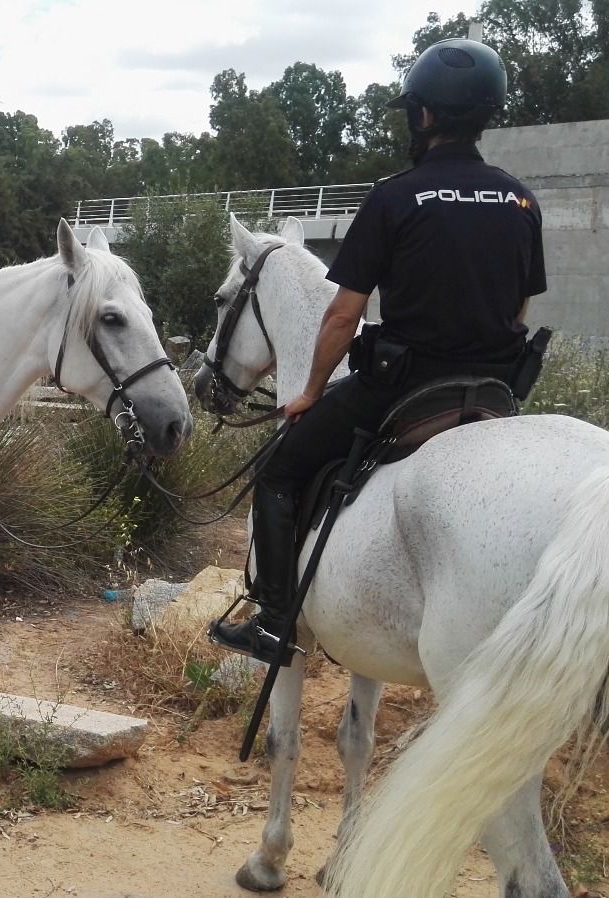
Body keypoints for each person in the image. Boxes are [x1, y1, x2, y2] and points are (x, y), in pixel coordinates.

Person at [208, 37, 547, 666]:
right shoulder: (521, 200)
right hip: (494, 392)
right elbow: (522, 309)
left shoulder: (395, 197)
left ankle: (276, 622)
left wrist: (309, 392)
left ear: (424, 116)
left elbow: (343, 314)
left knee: (279, 473)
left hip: (404, 388)